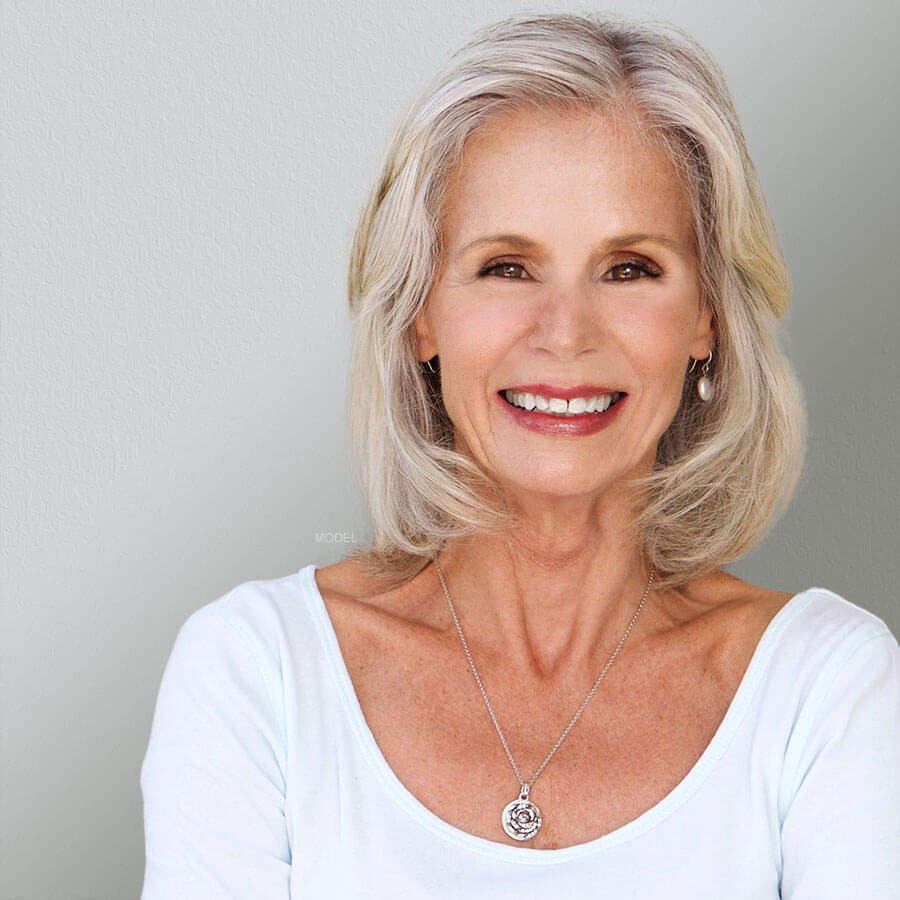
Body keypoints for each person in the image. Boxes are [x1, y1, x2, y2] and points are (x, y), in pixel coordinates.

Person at [139, 12, 899, 898]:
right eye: (507, 267)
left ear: (708, 319)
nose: (565, 334)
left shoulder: (825, 688)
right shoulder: (257, 673)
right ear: (422, 313)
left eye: (629, 268)